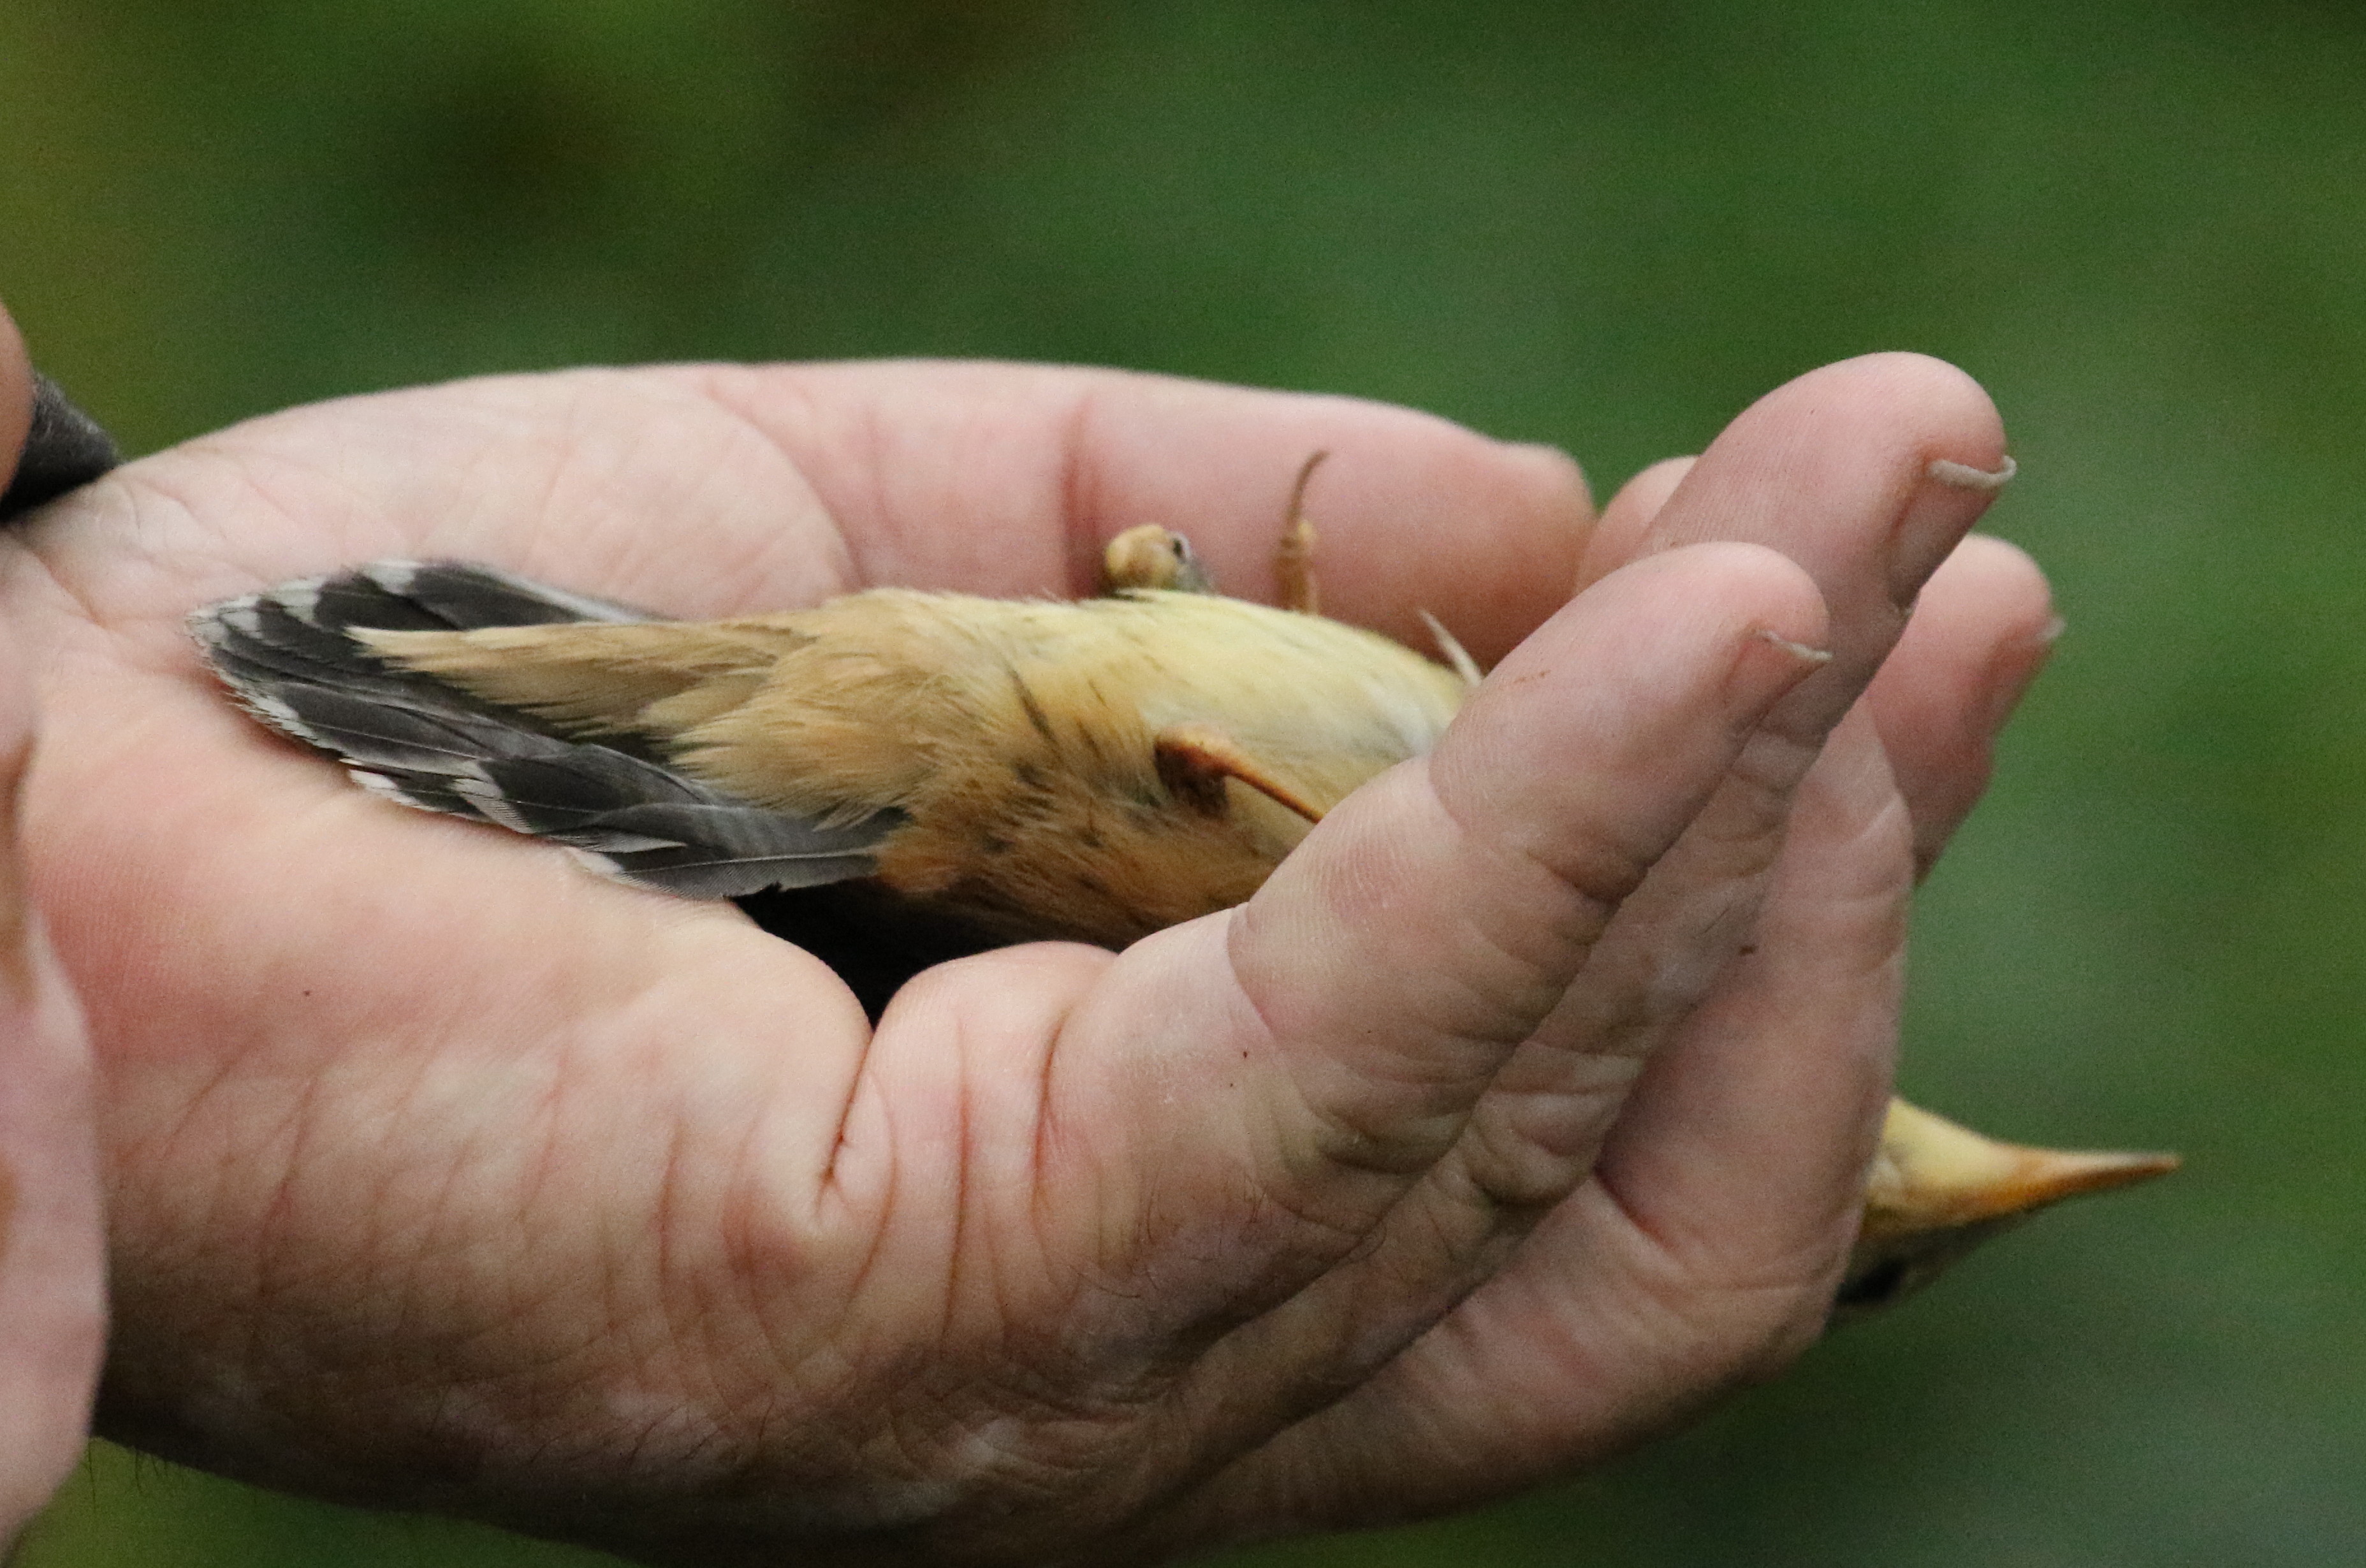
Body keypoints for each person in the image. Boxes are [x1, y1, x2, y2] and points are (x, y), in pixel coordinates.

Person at [0, 301, 2052, 1562]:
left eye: (1897, 1245)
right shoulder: (1607, 1047)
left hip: (1044, 758)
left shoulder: (1565, 1090)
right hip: (1051, 704)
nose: (1931, 1187)